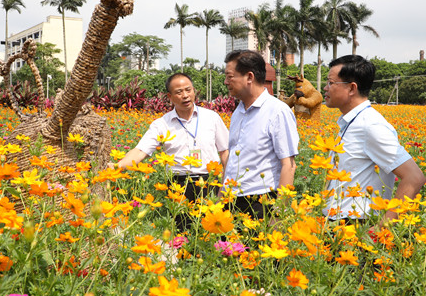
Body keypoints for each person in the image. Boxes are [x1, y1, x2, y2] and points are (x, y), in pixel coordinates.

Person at [322, 55, 425, 223]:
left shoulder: (371, 126)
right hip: (337, 222)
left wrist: (383, 227)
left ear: (351, 88)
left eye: (331, 83)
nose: (325, 88)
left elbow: (414, 177)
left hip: (356, 224)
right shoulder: (352, 122)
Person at [116, 73, 229, 209]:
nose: (185, 95)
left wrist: (225, 187)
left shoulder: (211, 118)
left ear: (194, 91)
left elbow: (225, 152)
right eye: (179, 92)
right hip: (179, 186)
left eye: (188, 90)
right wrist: (118, 167)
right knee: (182, 228)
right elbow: (141, 151)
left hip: (210, 182)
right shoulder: (161, 124)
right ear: (169, 97)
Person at [222, 50, 299, 218]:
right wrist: (222, 198)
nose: (226, 82)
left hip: (261, 203)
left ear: (249, 77)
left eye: (230, 76)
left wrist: (279, 214)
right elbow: (232, 160)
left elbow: (289, 165)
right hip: (232, 200)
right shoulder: (238, 111)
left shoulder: (277, 111)